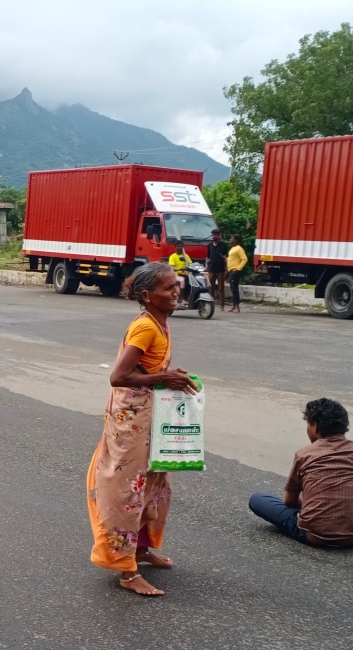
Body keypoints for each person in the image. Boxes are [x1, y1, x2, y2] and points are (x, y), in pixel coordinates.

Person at [87, 262, 199, 597]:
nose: (176, 291)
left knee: (155, 481)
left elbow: (145, 367)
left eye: (177, 285)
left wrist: (167, 373)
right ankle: (125, 570)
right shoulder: (145, 328)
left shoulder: (160, 323)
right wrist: (163, 378)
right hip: (130, 423)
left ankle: (140, 549)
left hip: (149, 417)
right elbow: (118, 376)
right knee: (127, 490)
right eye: (168, 288)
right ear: (148, 296)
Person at [248, 398, 353, 547]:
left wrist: (315, 506)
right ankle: (348, 513)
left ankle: (319, 518)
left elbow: (289, 501)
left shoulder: (305, 454)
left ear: (315, 426)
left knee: (258, 499)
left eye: (308, 424)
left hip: (311, 535)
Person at [205, 229, 227, 310]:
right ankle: (210, 303)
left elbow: (226, 258)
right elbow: (207, 257)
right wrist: (206, 265)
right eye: (213, 234)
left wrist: (226, 269)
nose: (214, 236)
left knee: (221, 288)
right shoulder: (209, 245)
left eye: (216, 234)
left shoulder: (223, 245)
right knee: (211, 287)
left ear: (219, 235)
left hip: (220, 269)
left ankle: (222, 305)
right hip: (211, 269)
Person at [226, 234, 247, 313]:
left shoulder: (239, 249)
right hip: (230, 270)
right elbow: (232, 259)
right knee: (232, 289)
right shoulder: (232, 248)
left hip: (235, 271)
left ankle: (237, 307)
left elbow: (244, 259)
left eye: (232, 238)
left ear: (236, 240)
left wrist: (238, 269)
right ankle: (234, 306)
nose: (230, 239)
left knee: (235, 289)